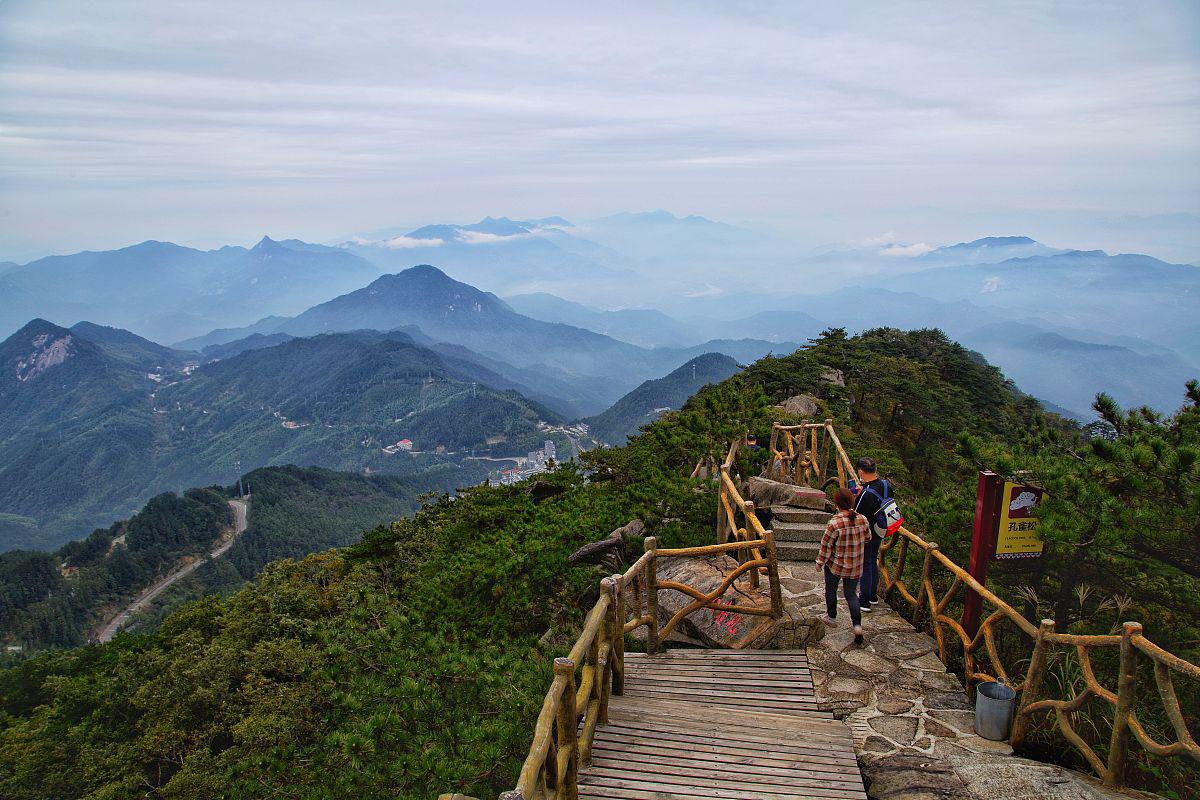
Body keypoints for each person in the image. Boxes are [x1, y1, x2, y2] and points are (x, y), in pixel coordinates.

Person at [816, 486, 869, 644]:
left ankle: (831, 617)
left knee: (831, 590)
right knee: (851, 595)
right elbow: (868, 537)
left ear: (836, 503)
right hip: (855, 565)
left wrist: (820, 562)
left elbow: (826, 546)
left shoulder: (835, 523)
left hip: (836, 565)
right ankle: (857, 626)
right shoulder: (862, 519)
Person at [853, 456, 888, 612]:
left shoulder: (865, 494)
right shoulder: (886, 485)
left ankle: (864, 601)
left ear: (861, 472)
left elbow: (856, 514)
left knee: (865, 563)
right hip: (881, 529)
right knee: (873, 560)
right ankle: (873, 596)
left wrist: (858, 495)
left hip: (868, 533)